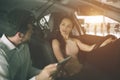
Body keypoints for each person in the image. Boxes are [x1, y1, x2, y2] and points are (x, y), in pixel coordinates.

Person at [51, 15, 116, 80]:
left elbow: (89, 48)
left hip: (82, 69)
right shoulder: (56, 41)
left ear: (71, 28)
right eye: (63, 24)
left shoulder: (75, 41)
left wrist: (105, 42)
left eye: (68, 26)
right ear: (59, 25)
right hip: (71, 75)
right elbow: (60, 59)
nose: (65, 28)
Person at [0, 9, 57, 80]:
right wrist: (38, 78)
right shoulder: (1, 55)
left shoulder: (24, 46)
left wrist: (45, 73)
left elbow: (27, 70)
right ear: (20, 35)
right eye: (31, 29)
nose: (33, 31)